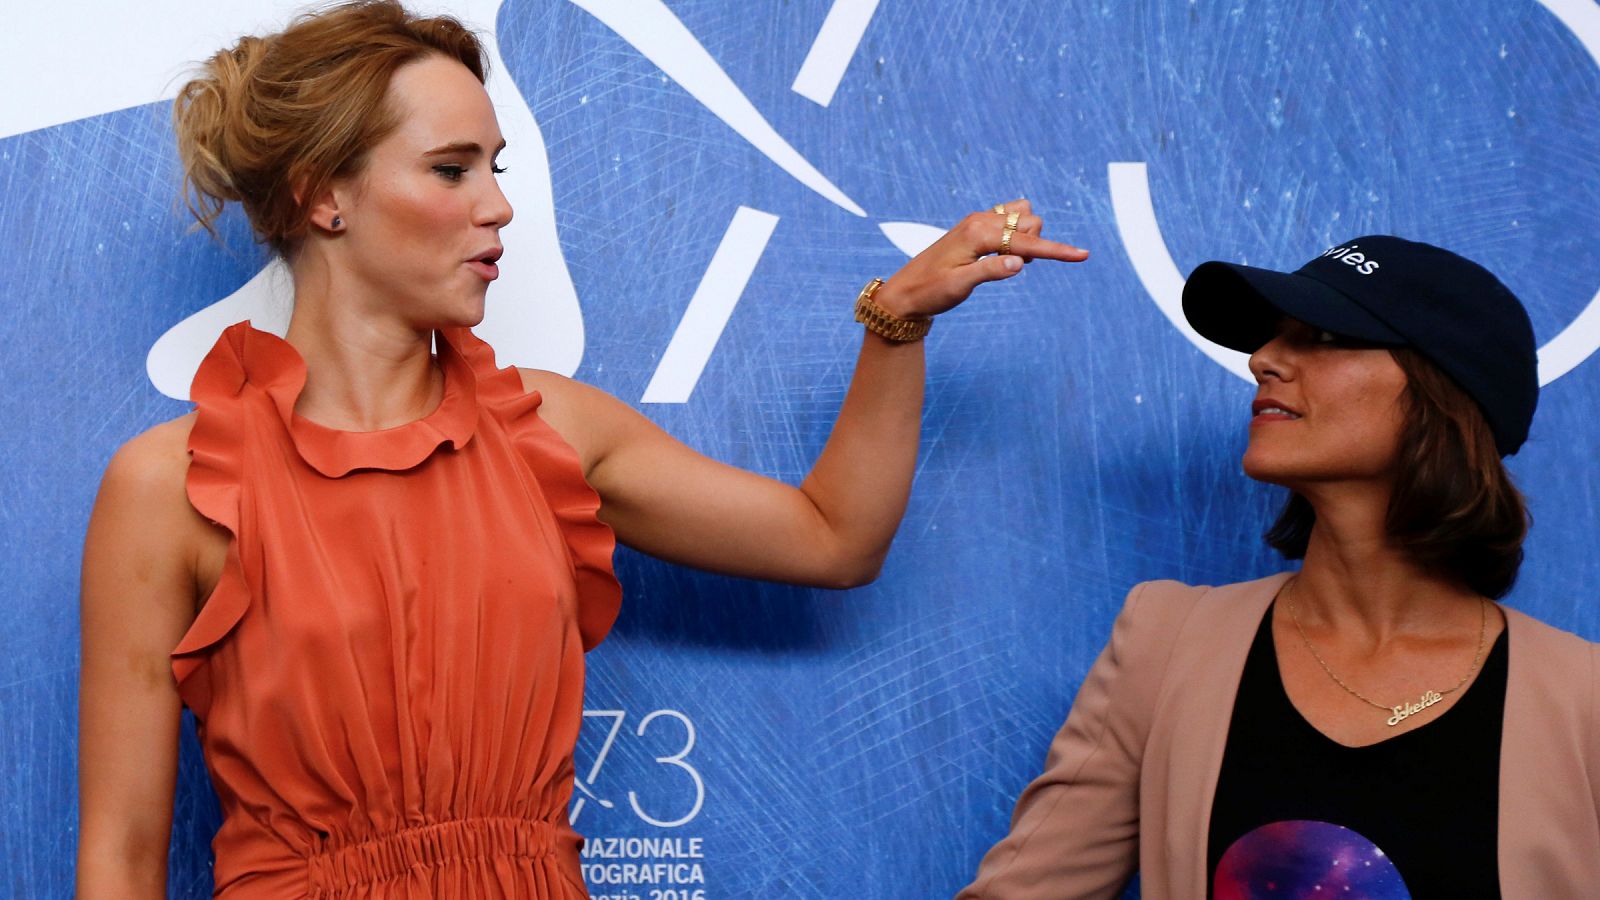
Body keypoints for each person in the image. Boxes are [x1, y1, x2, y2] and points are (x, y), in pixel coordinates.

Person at [73, 2, 1089, 896]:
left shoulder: (549, 431)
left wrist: (896, 320)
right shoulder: (170, 488)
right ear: (321, 196)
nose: (498, 205)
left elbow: (833, 540)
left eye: (496, 167)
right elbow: (120, 854)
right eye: (450, 168)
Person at [958, 235, 1600, 898]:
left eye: (1322, 335)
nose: (1264, 360)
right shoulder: (1167, 642)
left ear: (1445, 390)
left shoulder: (1585, 702)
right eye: (1272, 338)